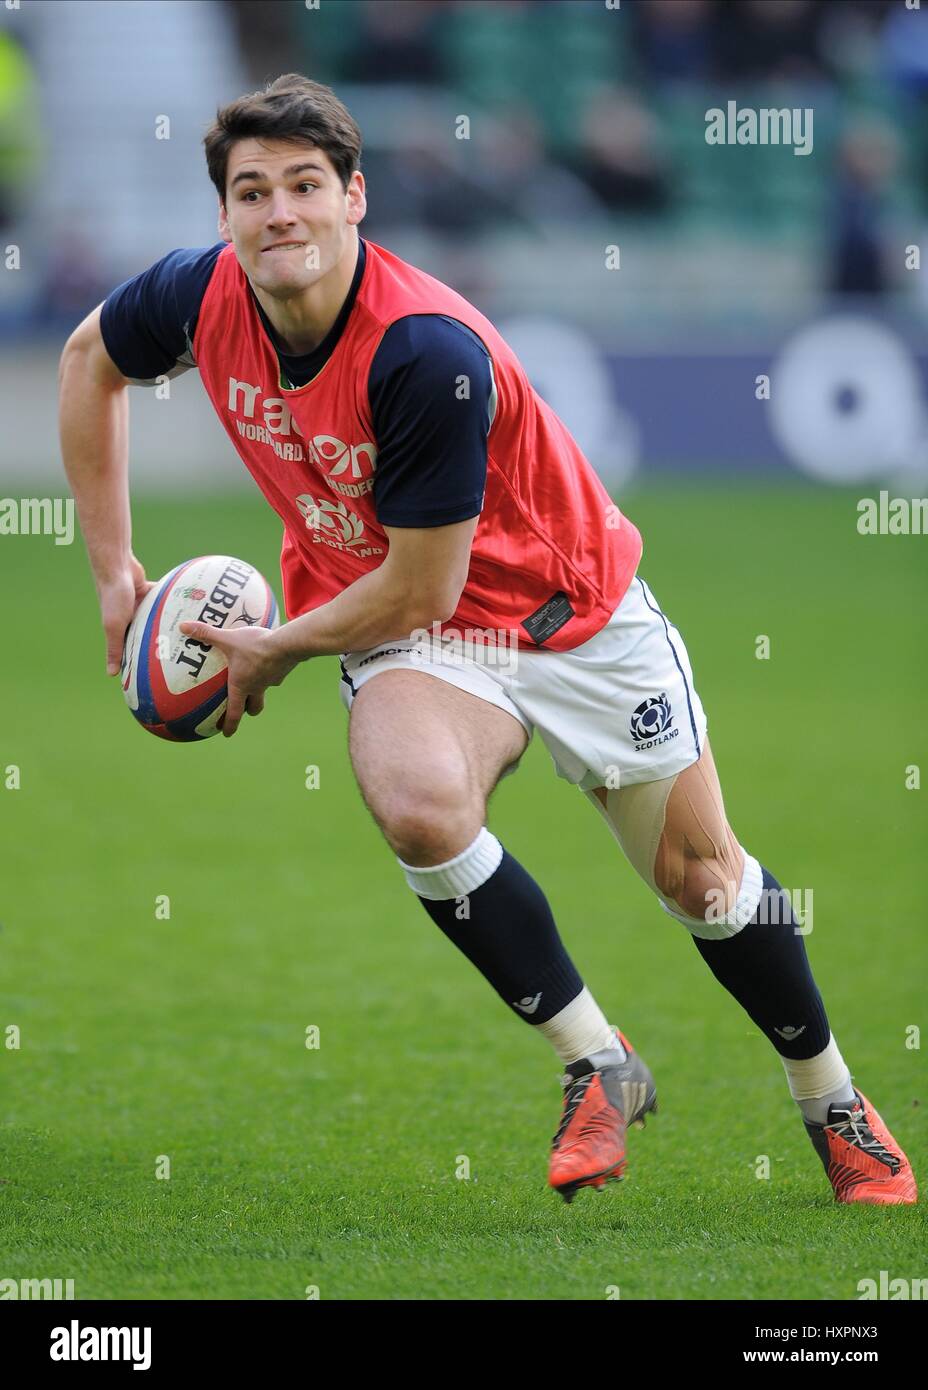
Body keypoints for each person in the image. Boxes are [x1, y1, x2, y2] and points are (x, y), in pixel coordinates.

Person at [58, 74, 915, 1206]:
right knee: (416, 802)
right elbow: (88, 363)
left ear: (354, 198)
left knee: (700, 879)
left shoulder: (422, 350)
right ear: (222, 217)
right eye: (251, 191)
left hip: (572, 614)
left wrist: (276, 649)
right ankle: (595, 1060)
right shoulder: (197, 296)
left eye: (305, 186)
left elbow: (421, 586)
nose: (279, 214)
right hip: (415, 629)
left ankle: (830, 1098)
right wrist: (115, 565)